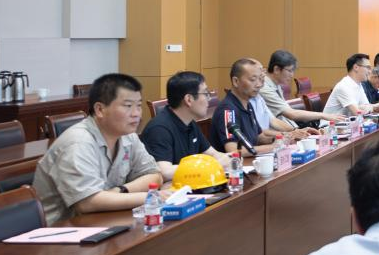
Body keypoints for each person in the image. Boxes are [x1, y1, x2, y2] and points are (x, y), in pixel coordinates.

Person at [32, 73, 167, 225]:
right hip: (62, 230)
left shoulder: (128, 135)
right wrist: (153, 197)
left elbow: (154, 175)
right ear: (100, 109)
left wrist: (120, 190)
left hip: (103, 221)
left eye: (139, 106)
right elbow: (88, 203)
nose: (136, 114)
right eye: (128, 106)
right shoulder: (78, 142)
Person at [141, 71, 231, 180]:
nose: (209, 99)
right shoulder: (159, 129)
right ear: (189, 99)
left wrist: (228, 159)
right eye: (205, 94)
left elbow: (213, 154)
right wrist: (209, 165)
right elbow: (165, 172)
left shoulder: (190, 123)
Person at [210, 58, 290, 156]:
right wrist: (273, 147)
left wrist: (280, 139)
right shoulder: (228, 110)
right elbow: (233, 150)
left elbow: (259, 137)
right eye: (253, 79)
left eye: (260, 79)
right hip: (234, 164)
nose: (259, 85)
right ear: (235, 81)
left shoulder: (248, 104)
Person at [260, 50, 343, 128]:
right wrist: (324, 115)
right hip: (277, 133)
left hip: (289, 129)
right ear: (276, 69)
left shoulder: (276, 85)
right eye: (289, 71)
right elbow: (291, 114)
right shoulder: (264, 88)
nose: (292, 75)